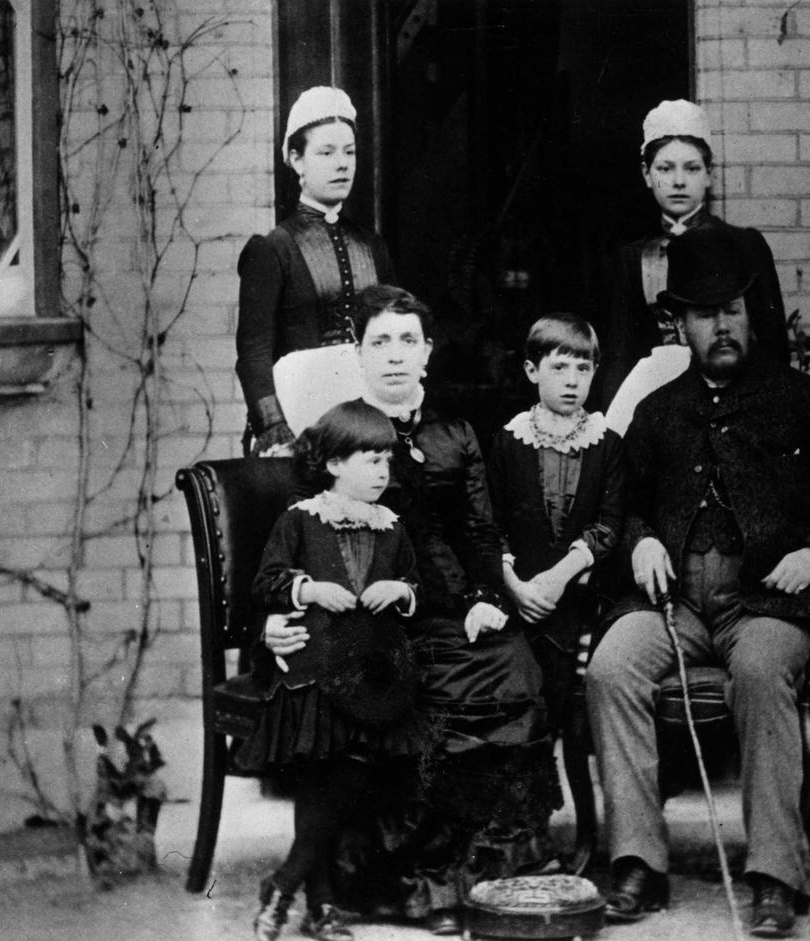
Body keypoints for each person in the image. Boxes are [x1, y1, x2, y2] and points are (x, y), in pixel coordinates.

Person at [586, 227, 810, 938]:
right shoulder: (659, 412)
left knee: (758, 673)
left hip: (765, 604)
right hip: (674, 603)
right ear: (680, 325)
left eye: (731, 310)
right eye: (703, 314)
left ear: (751, 313)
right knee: (609, 666)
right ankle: (637, 861)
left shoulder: (803, 402)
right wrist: (643, 541)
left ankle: (772, 876)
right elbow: (622, 504)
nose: (720, 326)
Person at [265, 285, 556, 936]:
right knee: (422, 696)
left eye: (407, 340)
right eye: (379, 342)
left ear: (426, 351)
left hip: (450, 608)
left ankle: (469, 874)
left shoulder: (455, 432)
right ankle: (412, 881)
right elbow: (306, 532)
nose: (394, 355)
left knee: (516, 672)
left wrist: (484, 597)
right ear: (360, 355)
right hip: (372, 621)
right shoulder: (340, 432)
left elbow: (481, 530)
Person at [238, 400, 425, 941]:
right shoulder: (300, 521)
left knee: (342, 773)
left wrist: (403, 591)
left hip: (371, 679)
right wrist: (308, 587)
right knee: (325, 771)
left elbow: (421, 587)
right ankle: (316, 903)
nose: (382, 472)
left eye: (387, 461)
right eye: (370, 460)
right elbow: (265, 583)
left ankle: (286, 884)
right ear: (335, 463)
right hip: (313, 671)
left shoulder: (392, 528)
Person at [597, 98, 788, 413]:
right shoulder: (634, 258)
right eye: (665, 168)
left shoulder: (744, 245)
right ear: (647, 174)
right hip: (659, 400)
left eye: (692, 168)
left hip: (737, 396)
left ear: (709, 174)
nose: (678, 181)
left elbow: (773, 344)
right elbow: (621, 353)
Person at [236, 86, 394, 456]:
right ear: (297, 160)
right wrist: (275, 430)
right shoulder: (273, 249)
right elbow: (253, 354)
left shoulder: (372, 246)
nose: (343, 163)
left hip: (365, 424)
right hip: (298, 424)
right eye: (326, 152)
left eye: (350, 152)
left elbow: (395, 334)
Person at [486, 313, 623, 740]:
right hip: (518, 594)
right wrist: (514, 585)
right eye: (558, 367)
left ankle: (572, 772)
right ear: (532, 371)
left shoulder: (606, 443)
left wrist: (561, 576)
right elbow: (490, 522)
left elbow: (609, 523)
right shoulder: (509, 441)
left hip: (579, 597)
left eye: (583, 368)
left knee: (566, 691)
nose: (572, 380)